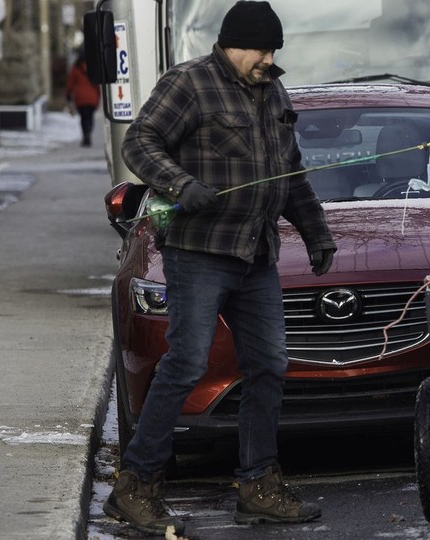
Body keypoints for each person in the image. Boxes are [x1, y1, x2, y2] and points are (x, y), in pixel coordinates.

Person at [102, 1, 337, 535]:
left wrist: (316, 233)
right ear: (233, 43)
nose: (269, 59)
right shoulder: (189, 84)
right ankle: (135, 485)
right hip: (198, 253)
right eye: (261, 49)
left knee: (269, 366)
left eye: (275, 49)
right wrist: (179, 184)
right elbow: (139, 141)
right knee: (185, 364)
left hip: (257, 256)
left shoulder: (274, 91)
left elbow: (290, 171)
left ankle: (258, 486)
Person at [66, 52, 100, 147]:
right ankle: (88, 133)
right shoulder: (93, 69)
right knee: (90, 117)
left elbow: (70, 83)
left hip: (80, 98)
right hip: (92, 97)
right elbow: (97, 84)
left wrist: (68, 94)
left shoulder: (76, 69)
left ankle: (85, 135)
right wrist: (98, 96)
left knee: (83, 118)